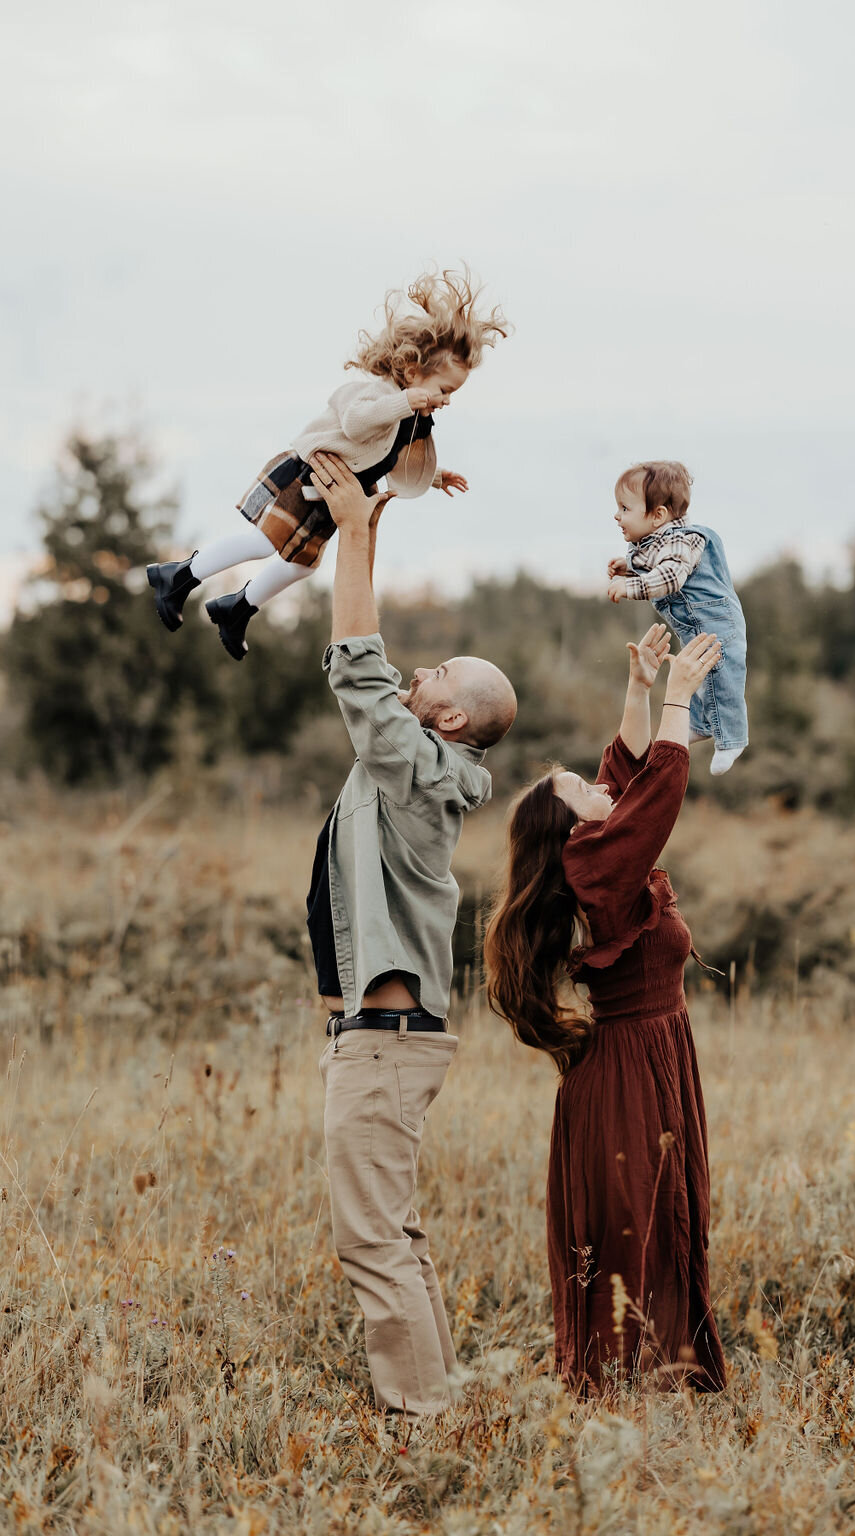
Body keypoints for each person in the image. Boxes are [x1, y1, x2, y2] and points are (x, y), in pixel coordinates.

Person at [305, 452, 517, 1416]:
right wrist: (371, 529)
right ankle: (442, 1408)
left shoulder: (416, 770)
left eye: (432, 675)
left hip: (386, 1049)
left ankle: (424, 1425)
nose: (415, 673)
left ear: (452, 716)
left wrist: (353, 538)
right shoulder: (414, 767)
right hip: (382, 1040)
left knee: (374, 1243)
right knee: (398, 1234)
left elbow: (357, 666)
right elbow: (368, 669)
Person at [485, 623, 727, 1396]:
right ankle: (627, 1389)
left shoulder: (592, 865)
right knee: (636, 1229)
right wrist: (679, 700)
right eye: (584, 794)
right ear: (573, 833)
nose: (602, 789)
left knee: (662, 1219)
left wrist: (639, 687)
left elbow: (622, 783)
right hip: (625, 1075)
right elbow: (651, 796)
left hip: (645, 1061)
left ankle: (653, 1383)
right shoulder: (597, 873)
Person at [146, 267, 509, 659]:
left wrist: (434, 477)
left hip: (329, 496)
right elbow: (356, 424)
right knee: (261, 543)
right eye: (445, 389)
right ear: (412, 372)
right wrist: (404, 402)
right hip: (305, 473)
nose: (447, 400)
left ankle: (235, 608)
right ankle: (178, 576)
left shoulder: (405, 418)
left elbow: (381, 459)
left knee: (302, 566)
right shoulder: (373, 393)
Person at [606, 460, 748, 774]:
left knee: (723, 677)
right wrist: (629, 568)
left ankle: (732, 739)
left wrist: (631, 585)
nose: (617, 516)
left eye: (625, 508)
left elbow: (670, 578)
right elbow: (657, 565)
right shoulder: (660, 542)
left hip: (717, 621)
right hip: (696, 623)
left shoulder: (685, 541)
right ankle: (700, 724)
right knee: (696, 676)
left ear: (658, 515)